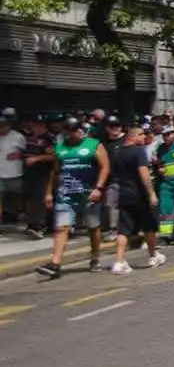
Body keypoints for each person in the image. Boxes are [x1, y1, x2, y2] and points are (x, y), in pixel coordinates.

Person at [36, 118, 110, 277]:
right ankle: (55, 264)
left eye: (77, 130)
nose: (76, 134)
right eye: (70, 131)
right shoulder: (60, 148)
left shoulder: (94, 144)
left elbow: (105, 167)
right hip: (65, 196)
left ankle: (95, 256)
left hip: (89, 195)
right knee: (61, 228)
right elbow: (55, 171)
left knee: (93, 227)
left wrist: (99, 188)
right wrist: (49, 192)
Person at [109, 126, 165, 273]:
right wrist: (151, 194)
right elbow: (144, 174)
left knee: (123, 229)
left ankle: (119, 262)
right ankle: (153, 255)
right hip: (139, 195)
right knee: (149, 226)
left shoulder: (118, 153)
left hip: (124, 194)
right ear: (133, 136)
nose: (144, 138)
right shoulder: (138, 151)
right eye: (141, 135)